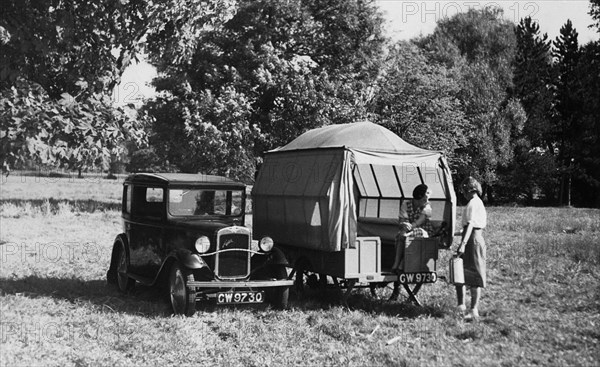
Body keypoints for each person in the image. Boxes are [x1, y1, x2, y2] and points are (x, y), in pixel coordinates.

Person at [389, 184, 433, 300]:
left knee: (407, 235)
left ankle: (399, 263)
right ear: (420, 196)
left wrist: (409, 226)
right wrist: (404, 224)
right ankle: (398, 263)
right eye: (426, 195)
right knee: (401, 235)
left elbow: (419, 222)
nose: (427, 198)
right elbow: (402, 220)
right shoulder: (406, 204)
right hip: (409, 232)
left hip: (423, 233)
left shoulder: (427, 207)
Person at [455, 176, 487, 321]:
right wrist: (455, 234)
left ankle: (474, 309)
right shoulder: (473, 203)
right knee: (460, 272)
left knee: (474, 275)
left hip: (472, 241)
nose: (463, 193)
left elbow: (472, 225)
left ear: (470, 189)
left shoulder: (474, 203)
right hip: (470, 238)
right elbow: (467, 227)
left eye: (464, 190)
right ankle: (461, 306)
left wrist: (463, 244)